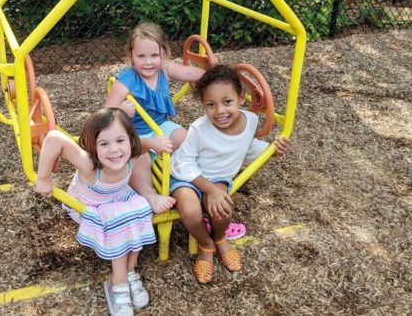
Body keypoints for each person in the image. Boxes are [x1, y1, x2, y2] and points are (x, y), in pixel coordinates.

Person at [105, 22, 245, 241]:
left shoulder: (164, 69)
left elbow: (189, 72)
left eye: (154, 55)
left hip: (161, 125)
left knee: (184, 138)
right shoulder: (126, 80)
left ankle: (199, 182)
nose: (149, 62)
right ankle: (150, 195)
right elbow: (107, 111)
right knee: (136, 157)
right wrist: (121, 111)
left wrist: (213, 77)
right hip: (137, 131)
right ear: (130, 56)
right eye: (141, 56)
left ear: (164, 53)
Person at [170, 64, 290, 284]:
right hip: (188, 175)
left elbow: (247, 147)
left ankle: (220, 236)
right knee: (190, 211)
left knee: (223, 209)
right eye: (211, 105)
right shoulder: (199, 129)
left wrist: (272, 151)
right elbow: (183, 164)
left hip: (218, 178)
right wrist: (208, 189)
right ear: (204, 106)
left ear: (241, 99)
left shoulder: (250, 122)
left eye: (227, 102)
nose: (220, 111)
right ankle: (206, 244)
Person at [34, 108, 155, 316]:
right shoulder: (89, 164)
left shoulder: (131, 154)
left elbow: (142, 145)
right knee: (120, 220)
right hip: (90, 207)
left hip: (119, 198)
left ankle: (129, 271)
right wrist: (44, 177)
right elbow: (54, 137)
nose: (115, 150)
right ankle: (117, 283)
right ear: (92, 147)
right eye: (104, 144)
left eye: (120, 140)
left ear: (130, 140)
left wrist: (154, 144)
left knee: (142, 208)